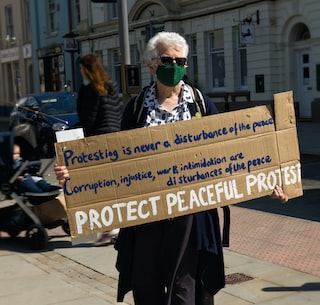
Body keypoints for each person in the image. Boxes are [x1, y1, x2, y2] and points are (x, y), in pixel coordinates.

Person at [55, 31, 288, 305]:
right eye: (168, 60)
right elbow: (111, 160)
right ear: (151, 64)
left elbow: (232, 153)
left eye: (182, 61)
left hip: (190, 217)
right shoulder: (137, 108)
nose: (176, 66)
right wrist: (76, 174)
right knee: (147, 288)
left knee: (184, 291)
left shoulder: (200, 103)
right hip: (145, 217)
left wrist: (268, 178)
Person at [77, 53, 124, 244]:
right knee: (113, 186)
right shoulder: (111, 86)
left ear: (86, 69)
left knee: (100, 187)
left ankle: (110, 229)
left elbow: (88, 120)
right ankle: (116, 227)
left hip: (97, 142)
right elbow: (118, 112)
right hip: (115, 140)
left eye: (81, 69)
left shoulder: (89, 90)